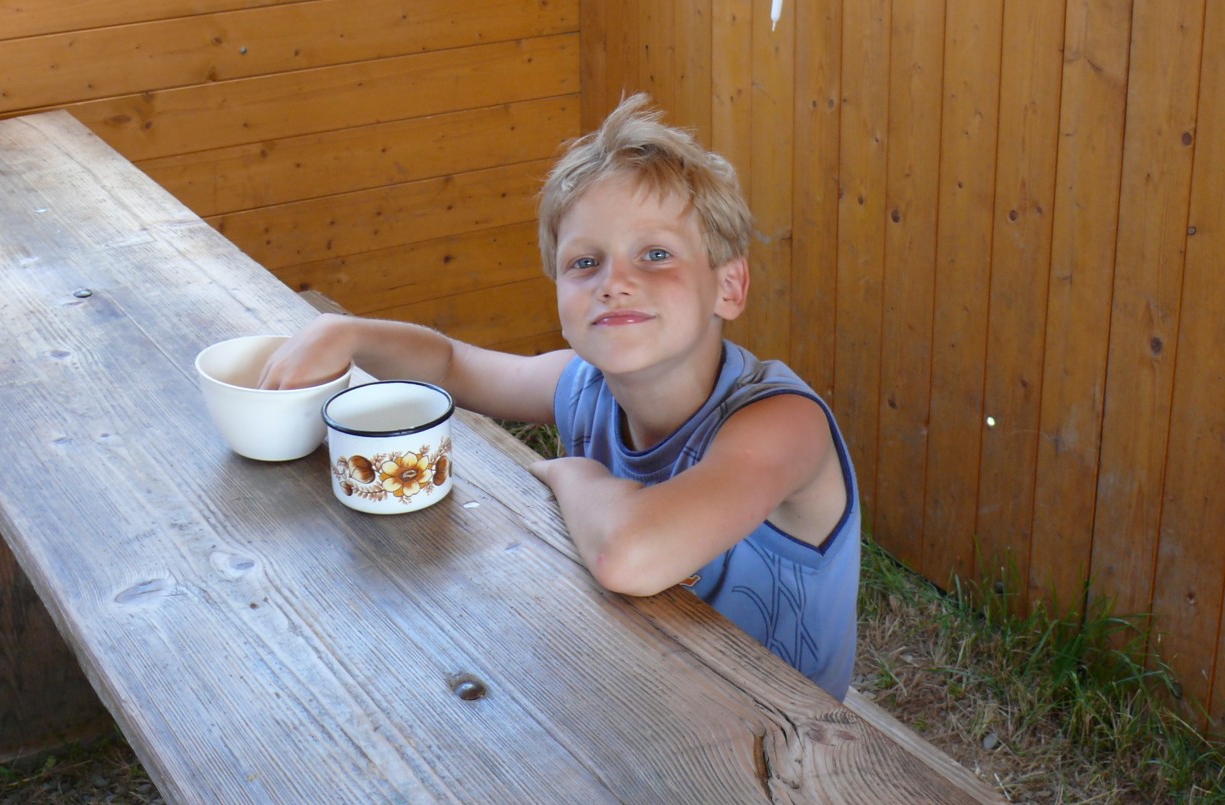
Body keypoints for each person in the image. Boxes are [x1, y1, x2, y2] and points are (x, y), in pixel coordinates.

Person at [259, 94, 861, 700]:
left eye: (655, 255)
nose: (614, 282)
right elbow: (451, 364)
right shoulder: (585, 386)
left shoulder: (782, 423)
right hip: (635, 685)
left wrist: (577, 476)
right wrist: (346, 333)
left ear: (728, 286)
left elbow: (630, 557)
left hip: (784, 734)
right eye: (585, 262)